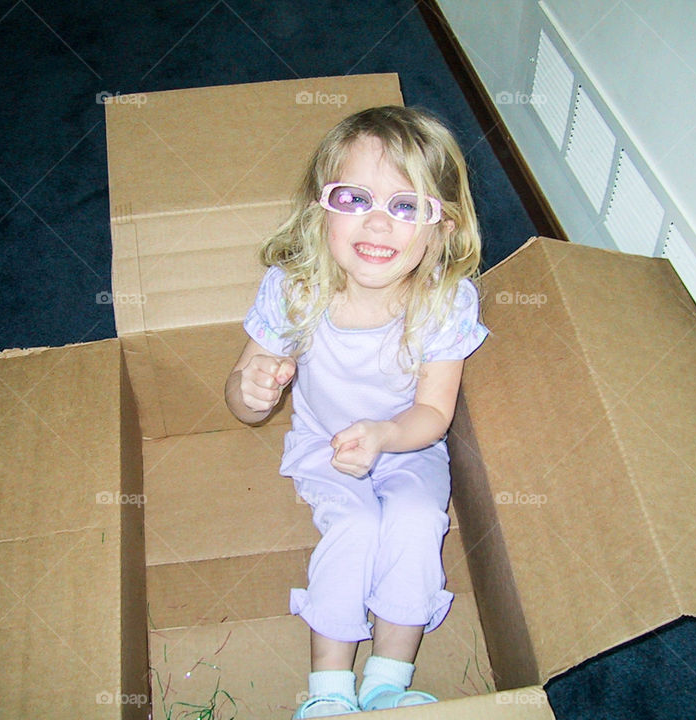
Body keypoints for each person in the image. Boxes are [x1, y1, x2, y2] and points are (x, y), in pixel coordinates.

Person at [224, 105, 488, 717]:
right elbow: (241, 395)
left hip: (408, 443)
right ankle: (330, 693)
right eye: (354, 197)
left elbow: (434, 413)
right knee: (356, 528)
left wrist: (387, 434)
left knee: (418, 519)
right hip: (323, 442)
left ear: (441, 228)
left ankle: (389, 680)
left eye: (406, 206)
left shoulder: (446, 303)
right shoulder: (297, 288)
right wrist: (252, 389)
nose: (377, 222)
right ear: (322, 208)